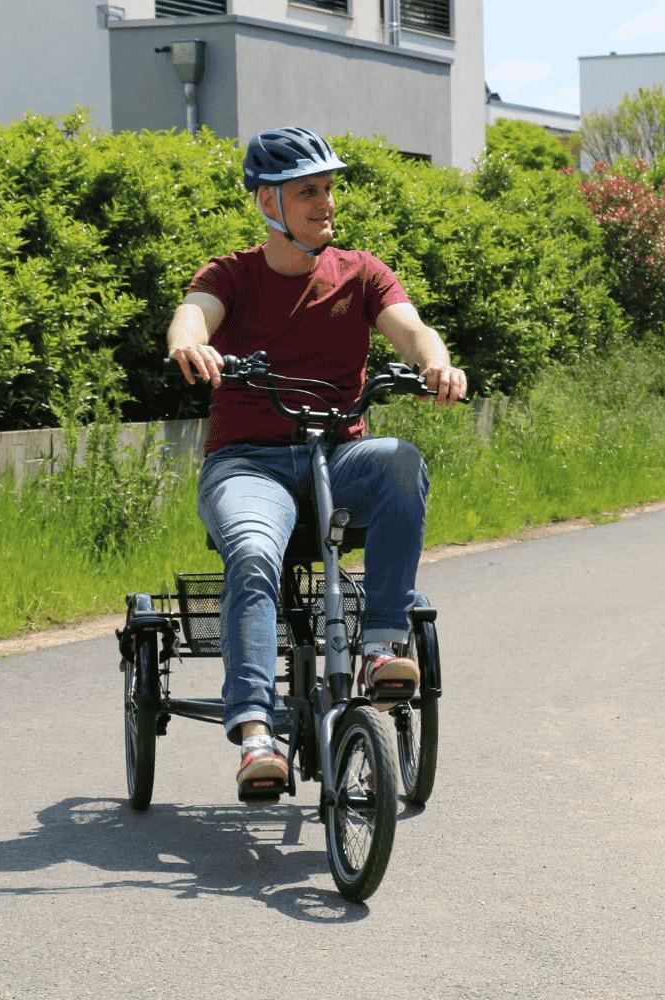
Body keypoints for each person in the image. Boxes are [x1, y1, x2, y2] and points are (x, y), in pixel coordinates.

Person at [165, 126, 468, 801]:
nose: (326, 203)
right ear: (268, 202)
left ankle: (380, 647)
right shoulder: (231, 275)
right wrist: (192, 344)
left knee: (400, 462)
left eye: (329, 189)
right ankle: (256, 733)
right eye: (309, 192)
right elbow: (193, 314)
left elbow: (412, 329)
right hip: (249, 464)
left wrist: (435, 363)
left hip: (339, 455)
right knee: (252, 554)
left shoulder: (361, 272)